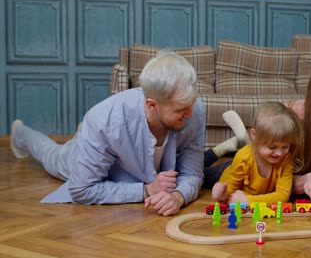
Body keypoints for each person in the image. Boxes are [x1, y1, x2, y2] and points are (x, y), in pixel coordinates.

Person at [10, 51, 206, 216]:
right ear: (152, 105)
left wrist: (177, 197)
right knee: (51, 154)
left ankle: (89, 141)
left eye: (190, 105)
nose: (190, 114)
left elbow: (193, 173)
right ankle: (20, 133)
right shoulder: (104, 121)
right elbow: (81, 190)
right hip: (92, 142)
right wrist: (146, 190)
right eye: (181, 110)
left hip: (106, 137)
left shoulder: (193, 110)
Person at [204, 56, 311, 211]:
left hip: (270, 179)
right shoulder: (293, 115)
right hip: (251, 168)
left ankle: (235, 143)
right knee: (196, 173)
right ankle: (223, 149)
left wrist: (303, 182)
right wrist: (306, 181)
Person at [209, 102, 304, 206]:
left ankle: (237, 140)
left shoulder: (286, 159)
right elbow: (231, 190)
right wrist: (223, 195)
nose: (279, 153)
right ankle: (217, 151)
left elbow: (282, 195)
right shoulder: (243, 157)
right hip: (227, 170)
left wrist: (248, 201)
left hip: (249, 197)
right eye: (272, 147)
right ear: (254, 135)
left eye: (285, 147)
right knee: (201, 174)